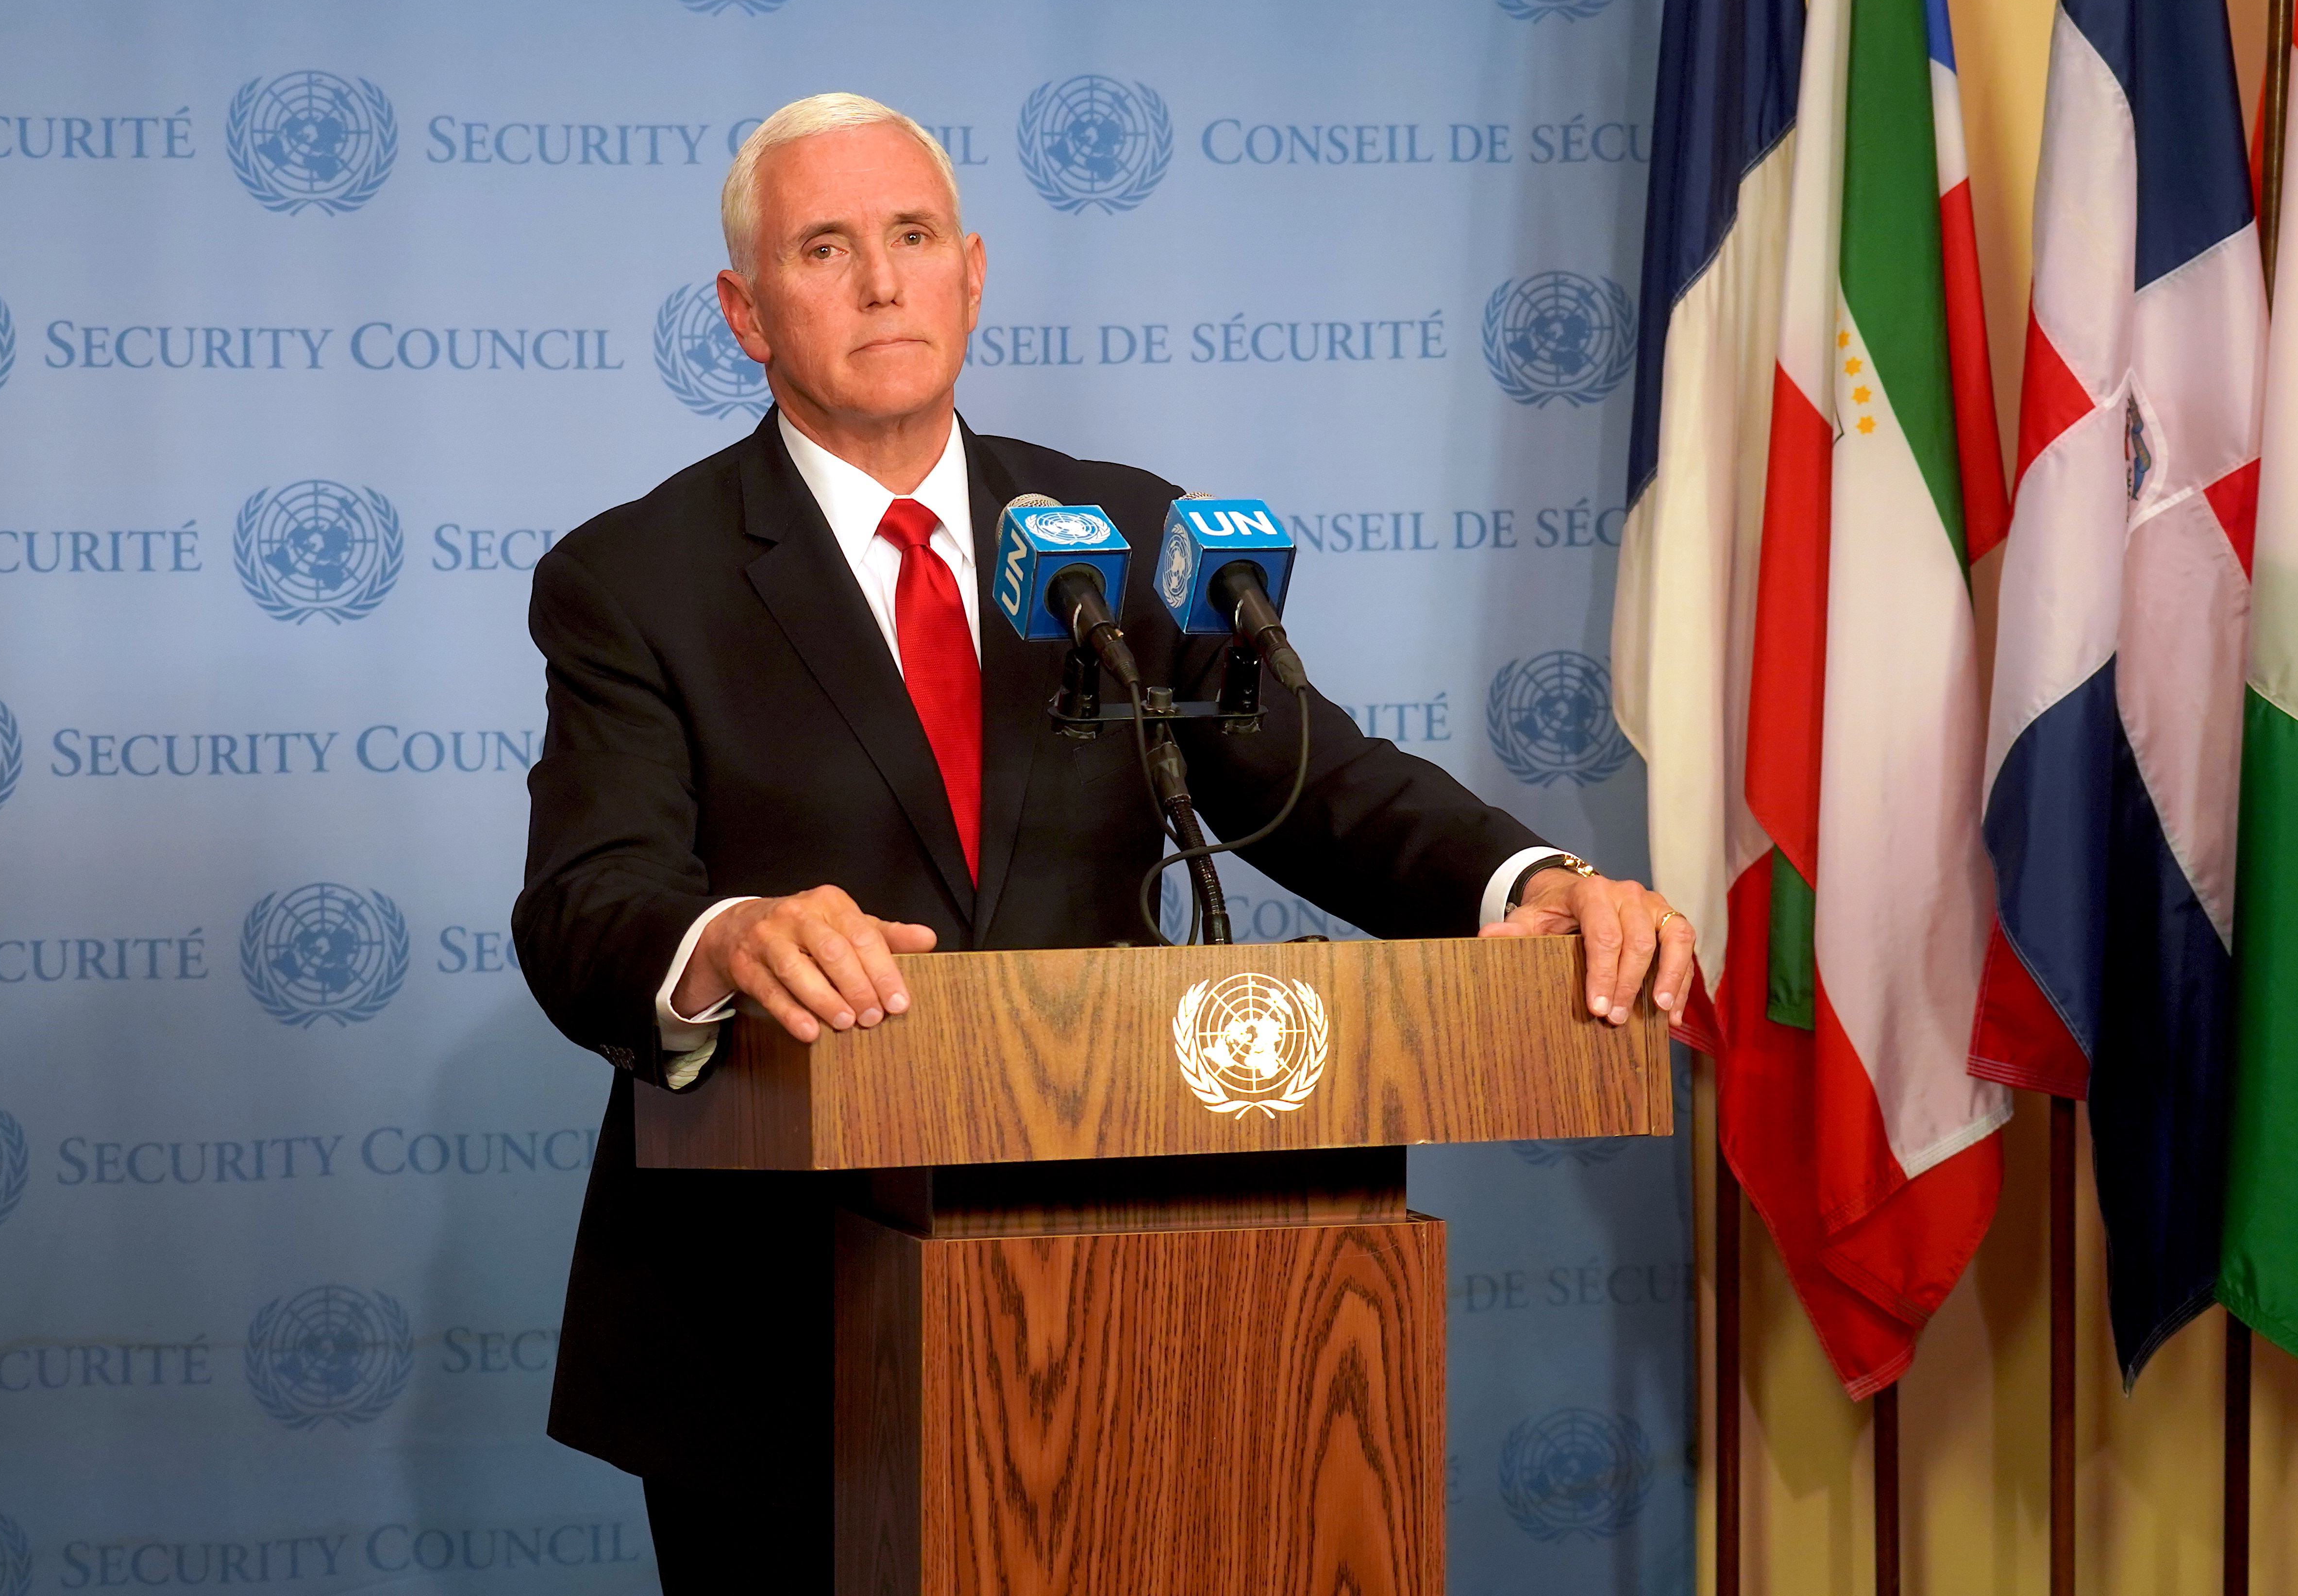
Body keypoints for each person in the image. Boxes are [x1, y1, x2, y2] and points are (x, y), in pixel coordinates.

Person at [511, 91, 1694, 1592]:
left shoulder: (1125, 540)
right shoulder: (637, 578)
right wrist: (724, 943)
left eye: (914, 237)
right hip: (779, 1338)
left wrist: (1537, 884)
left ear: (974, 272)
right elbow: (585, 904)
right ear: (746, 312)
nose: (883, 281)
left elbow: (1325, 790)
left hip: (1161, 1324)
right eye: (826, 248)